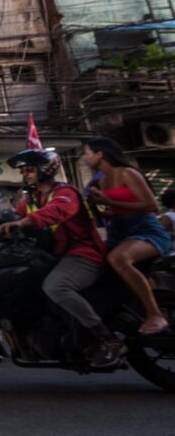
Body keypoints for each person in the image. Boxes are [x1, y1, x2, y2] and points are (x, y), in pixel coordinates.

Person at [0, 148, 123, 368]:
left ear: (45, 170)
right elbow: (13, 216)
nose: (25, 174)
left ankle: (107, 339)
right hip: (56, 256)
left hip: (83, 254)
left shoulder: (65, 193)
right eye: (23, 171)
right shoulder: (33, 199)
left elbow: (54, 212)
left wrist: (21, 224)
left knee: (56, 287)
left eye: (29, 169)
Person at [83, 137, 173, 336]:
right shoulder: (102, 180)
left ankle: (155, 314)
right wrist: (101, 207)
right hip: (120, 230)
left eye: (88, 153)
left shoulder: (127, 173)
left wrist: (107, 200)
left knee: (118, 258)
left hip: (146, 231)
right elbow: (116, 210)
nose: (85, 157)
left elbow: (151, 206)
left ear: (100, 154)